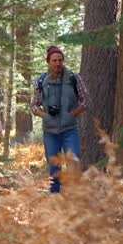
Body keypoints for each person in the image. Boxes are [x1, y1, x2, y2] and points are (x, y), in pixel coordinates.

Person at [31, 45, 89, 193]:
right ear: (48, 62)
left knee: (73, 162)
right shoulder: (40, 80)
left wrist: (73, 114)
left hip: (70, 130)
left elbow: (85, 101)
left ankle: (75, 196)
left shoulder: (73, 78)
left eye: (60, 60)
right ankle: (55, 199)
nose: (57, 63)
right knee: (54, 167)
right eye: (54, 60)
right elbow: (33, 106)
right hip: (50, 132)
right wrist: (44, 115)